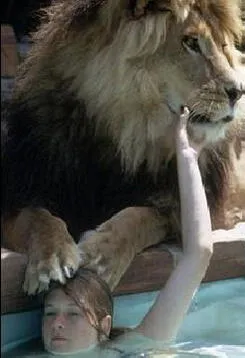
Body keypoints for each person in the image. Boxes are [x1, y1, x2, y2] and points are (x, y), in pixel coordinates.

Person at [39, 106, 225, 356]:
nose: (57, 323)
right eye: (50, 312)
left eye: (73, 313)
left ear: (104, 326)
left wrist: (188, 155)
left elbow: (199, 253)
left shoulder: (129, 348)